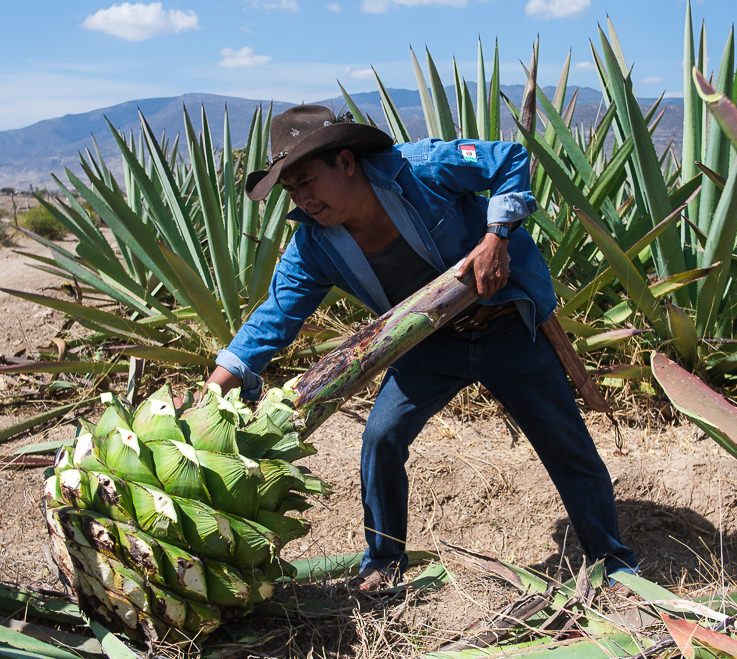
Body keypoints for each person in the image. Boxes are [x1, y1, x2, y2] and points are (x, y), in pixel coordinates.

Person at [205, 104, 637, 590]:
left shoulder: (423, 168)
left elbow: (510, 158)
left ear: (346, 162)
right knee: (381, 439)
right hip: (428, 343)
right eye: (290, 189)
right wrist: (217, 388)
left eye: (307, 180)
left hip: (506, 328)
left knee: (564, 442)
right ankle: (384, 561)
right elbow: (274, 317)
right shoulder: (315, 245)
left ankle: (613, 561)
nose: (302, 198)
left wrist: (497, 237)